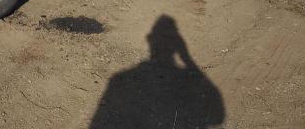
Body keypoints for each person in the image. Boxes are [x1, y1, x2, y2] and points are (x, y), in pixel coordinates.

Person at [90, 15, 225, 128]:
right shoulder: (120, 79)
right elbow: (217, 117)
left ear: (149, 39)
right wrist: (187, 59)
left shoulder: (119, 78)